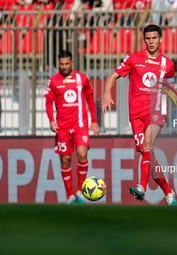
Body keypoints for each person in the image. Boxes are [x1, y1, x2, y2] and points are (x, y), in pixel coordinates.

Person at [102, 24, 177, 205]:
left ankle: (141, 186)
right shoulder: (133, 59)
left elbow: (170, 86)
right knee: (147, 153)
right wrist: (106, 95)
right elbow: (112, 77)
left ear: (161, 39)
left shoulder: (168, 64)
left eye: (154, 38)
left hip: (156, 111)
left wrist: (176, 100)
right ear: (144, 40)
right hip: (136, 113)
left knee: (148, 142)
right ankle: (168, 192)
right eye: (148, 39)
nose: (151, 42)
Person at [45, 50, 100, 204]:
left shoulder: (82, 78)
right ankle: (70, 195)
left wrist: (94, 121)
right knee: (66, 160)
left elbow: (90, 98)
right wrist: (51, 120)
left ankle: (80, 191)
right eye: (61, 64)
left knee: (82, 154)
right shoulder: (53, 81)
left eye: (66, 64)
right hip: (62, 127)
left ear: (72, 63)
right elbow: (48, 102)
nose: (64, 66)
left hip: (80, 125)